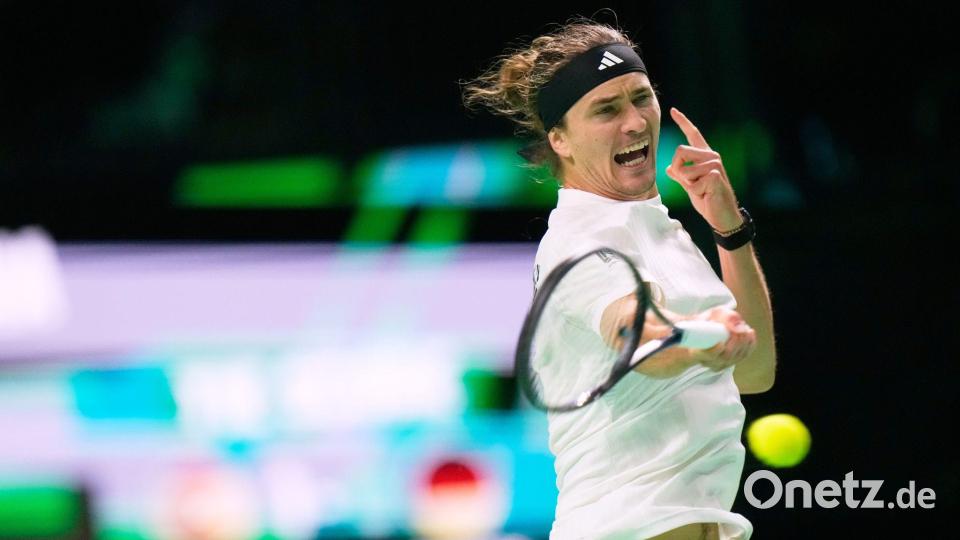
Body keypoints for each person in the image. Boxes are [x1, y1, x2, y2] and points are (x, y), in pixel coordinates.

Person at [463, 18, 776, 540]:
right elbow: (640, 336)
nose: (634, 122)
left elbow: (755, 371)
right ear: (559, 139)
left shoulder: (664, 234)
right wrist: (696, 339)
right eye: (606, 110)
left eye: (641, 98)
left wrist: (729, 230)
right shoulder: (578, 239)